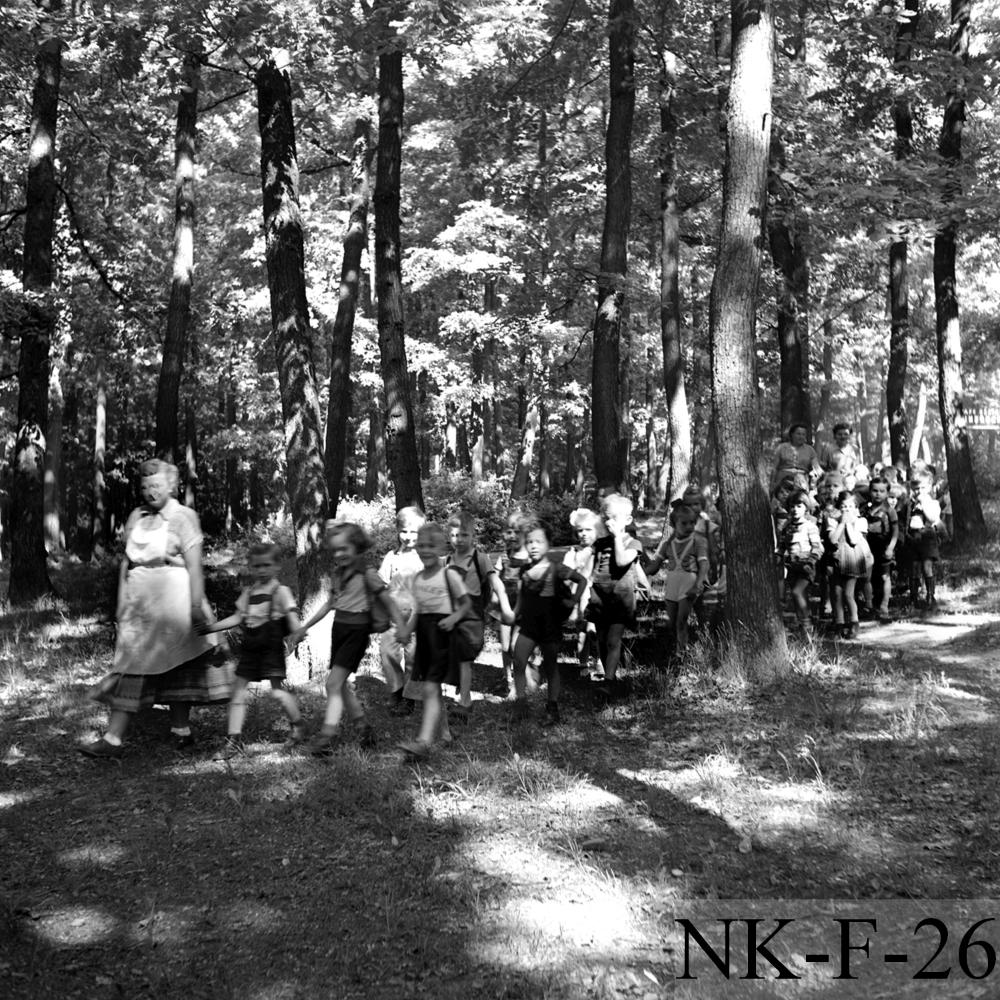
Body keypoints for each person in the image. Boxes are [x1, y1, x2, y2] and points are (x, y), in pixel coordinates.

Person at [80, 459, 228, 758]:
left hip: (174, 604)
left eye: (157, 485)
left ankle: (181, 731)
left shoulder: (184, 517)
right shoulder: (136, 516)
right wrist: (121, 604)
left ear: (171, 486)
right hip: (139, 605)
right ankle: (113, 739)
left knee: (179, 665)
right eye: (145, 486)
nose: (151, 492)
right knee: (131, 666)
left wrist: (196, 606)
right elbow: (126, 563)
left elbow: (195, 568)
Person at [289, 522, 406, 755]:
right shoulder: (337, 575)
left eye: (344, 548)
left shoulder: (367, 574)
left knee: (332, 683)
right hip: (339, 630)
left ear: (357, 547)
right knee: (339, 685)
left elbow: (388, 601)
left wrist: (401, 626)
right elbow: (329, 605)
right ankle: (364, 729)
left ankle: (327, 736)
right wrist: (304, 627)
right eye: (335, 550)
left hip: (357, 632)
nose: (339, 554)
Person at [197, 542, 306, 759]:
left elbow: (292, 616)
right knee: (237, 692)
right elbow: (238, 618)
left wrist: (297, 630)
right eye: (257, 566)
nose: (262, 570)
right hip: (250, 649)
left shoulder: (281, 591)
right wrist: (211, 628)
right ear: (250, 567)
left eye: (267, 565)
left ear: (277, 566)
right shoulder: (249, 592)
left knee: (277, 691)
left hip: (271, 649)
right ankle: (233, 740)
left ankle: (298, 725)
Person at [395, 524, 472, 759]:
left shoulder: (449, 575)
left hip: (443, 639)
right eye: (421, 545)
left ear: (441, 548)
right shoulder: (417, 578)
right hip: (425, 640)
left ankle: (424, 742)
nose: (425, 550)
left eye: (431, 545)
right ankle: (445, 734)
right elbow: (418, 611)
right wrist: (406, 630)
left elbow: (466, 604)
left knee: (429, 688)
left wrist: (453, 618)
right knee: (434, 690)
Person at [510, 519, 586, 726]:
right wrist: (513, 614)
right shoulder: (524, 571)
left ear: (548, 545)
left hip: (549, 627)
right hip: (528, 626)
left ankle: (552, 708)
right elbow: (521, 599)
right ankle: (521, 704)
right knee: (518, 661)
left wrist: (573, 601)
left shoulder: (556, 568)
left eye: (539, 542)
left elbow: (581, 580)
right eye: (530, 542)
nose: (534, 546)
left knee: (551, 666)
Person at [446, 511, 512, 723]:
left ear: (473, 536)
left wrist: (505, 607)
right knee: (455, 658)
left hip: (471, 619)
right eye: (454, 535)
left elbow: (497, 584)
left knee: (465, 660)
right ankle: (460, 694)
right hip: (453, 616)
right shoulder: (448, 560)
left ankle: (465, 702)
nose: (458, 539)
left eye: (464, 535)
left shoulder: (480, 559)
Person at [585, 493, 643, 693]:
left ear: (627, 520)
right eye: (606, 518)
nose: (609, 523)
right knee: (601, 640)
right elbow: (591, 568)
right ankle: (609, 675)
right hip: (600, 597)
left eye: (614, 518)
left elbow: (621, 561)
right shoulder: (600, 543)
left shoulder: (633, 543)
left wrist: (618, 537)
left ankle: (609, 682)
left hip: (620, 598)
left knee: (613, 640)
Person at [377, 506, 426, 715]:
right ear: (397, 531)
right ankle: (396, 690)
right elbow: (382, 584)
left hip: (416, 617)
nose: (408, 536)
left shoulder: (423, 558)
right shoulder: (392, 557)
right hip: (393, 617)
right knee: (388, 653)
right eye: (404, 531)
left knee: (414, 658)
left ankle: (409, 698)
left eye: (414, 532)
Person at [645, 502, 709, 656]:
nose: (689, 526)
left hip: (689, 581)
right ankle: (680, 646)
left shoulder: (697, 542)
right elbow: (654, 567)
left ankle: (682, 652)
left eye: (692, 523)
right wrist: (638, 573)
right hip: (672, 582)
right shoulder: (668, 544)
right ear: (674, 524)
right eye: (684, 523)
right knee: (672, 621)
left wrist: (699, 583)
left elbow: (704, 564)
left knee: (681, 620)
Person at [490, 513, 530, 696]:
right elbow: (495, 577)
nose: (513, 535)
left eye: (517, 532)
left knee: (516, 646)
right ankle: (508, 679)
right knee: (506, 647)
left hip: (524, 608)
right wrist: (494, 596)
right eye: (509, 531)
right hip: (505, 607)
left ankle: (524, 675)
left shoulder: (530, 557)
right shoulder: (504, 556)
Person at [778, 490, 823, 635]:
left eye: (799, 506)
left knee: (797, 592)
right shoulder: (787, 526)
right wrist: (778, 556)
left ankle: (808, 625)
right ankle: (804, 627)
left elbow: (817, 547)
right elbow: (782, 545)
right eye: (792, 506)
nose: (795, 509)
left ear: (806, 508)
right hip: (792, 566)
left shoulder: (810, 526)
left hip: (806, 566)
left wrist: (810, 562)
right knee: (798, 596)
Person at [829, 490, 873, 639]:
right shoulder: (834, 521)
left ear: (855, 508)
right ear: (838, 507)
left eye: (850, 506)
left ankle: (854, 622)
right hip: (837, 559)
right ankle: (839, 624)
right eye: (843, 506)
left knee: (848, 594)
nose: (846, 510)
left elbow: (853, 540)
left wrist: (848, 523)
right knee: (837, 593)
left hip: (851, 560)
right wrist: (841, 523)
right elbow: (833, 540)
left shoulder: (860, 521)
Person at [563, 508, 601, 678]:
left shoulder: (598, 551)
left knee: (594, 630)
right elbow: (566, 574)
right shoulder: (574, 552)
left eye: (588, 530)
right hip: (579, 595)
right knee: (581, 632)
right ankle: (583, 665)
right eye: (580, 531)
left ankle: (599, 661)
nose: (584, 534)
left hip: (595, 595)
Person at [864, 475, 899, 623]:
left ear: (887, 493)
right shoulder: (866, 509)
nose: (878, 494)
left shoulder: (889, 511)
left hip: (884, 546)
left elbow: (895, 532)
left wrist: (891, 547)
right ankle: (869, 605)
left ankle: (884, 605)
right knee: (868, 576)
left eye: (882, 491)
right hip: (869, 546)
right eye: (875, 490)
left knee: (885, 576)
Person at [771, 423, 821, 492]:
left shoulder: (810, 450)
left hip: (801, 480)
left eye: (803, 434)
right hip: (783, 479)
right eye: (798, 434)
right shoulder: (782, 447)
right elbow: (774, 468)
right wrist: (772, 485)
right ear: (792, 434)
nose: (801, 436)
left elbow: (816, 468)